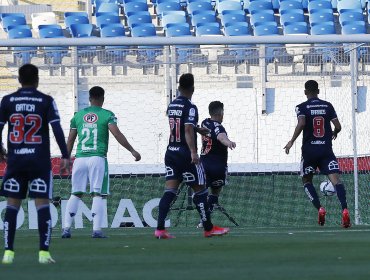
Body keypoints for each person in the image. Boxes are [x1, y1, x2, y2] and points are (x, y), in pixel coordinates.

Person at [0, 64, 70, 264]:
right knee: (42, 205)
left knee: (12, 205)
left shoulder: (7, 101)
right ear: (37, 79)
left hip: (16, 161)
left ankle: (8, 253)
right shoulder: (45, 100)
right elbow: (56, 128)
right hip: (39, 162)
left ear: (19, 80)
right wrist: (65, 155)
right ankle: (44, 253)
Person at [155, 73, 230, 239]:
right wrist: (194, 152)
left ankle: (160, 229)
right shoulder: (190, 107)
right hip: (185, 153)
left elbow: (180, 125)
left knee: (170, 190)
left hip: (171, 151)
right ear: (193, 88)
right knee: (201, 191)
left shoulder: (172, 105)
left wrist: (197, 129)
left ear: (179, 87)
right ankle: (208, 228)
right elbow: (187, 129)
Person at [62, 86, 141, 239]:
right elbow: (117, 134)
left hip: (79, 158)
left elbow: (70, 139)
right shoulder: (107, 115)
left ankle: (66, 229)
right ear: (102, 99)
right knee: (98, 194)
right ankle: (96, 230)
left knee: (76, 193)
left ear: (89, 99)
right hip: (97, 158)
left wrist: (66, 158)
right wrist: (132, 150)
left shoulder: (77, 116)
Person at [284, 80, 350, 228]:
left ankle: (320, 208)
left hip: (309, 152)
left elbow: (301, 123)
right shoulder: (327, 106)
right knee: (336, 181)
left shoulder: (301, 107)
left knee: (307, 181)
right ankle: (345, 210)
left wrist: (291, 141)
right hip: (326, 150)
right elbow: (338, 126)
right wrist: (334, 132)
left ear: (305, 92)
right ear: (318, 91)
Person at [198, 101, 236, 227]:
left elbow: (205, 131)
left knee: (201, 194)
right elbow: (221, 137)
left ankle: (203, 220)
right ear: (221, 113)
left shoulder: (205, 122)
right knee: (214, 194)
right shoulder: (219, 127)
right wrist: (229, 142)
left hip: (203, 165)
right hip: (218, 166)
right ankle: (205, 221)